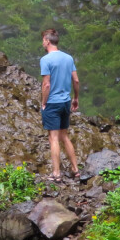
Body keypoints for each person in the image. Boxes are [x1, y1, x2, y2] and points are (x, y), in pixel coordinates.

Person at [39, 28, 79, 182]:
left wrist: (44, 103)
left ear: (48, 41)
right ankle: (75, 169)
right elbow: (76, 80)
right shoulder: (68, 58)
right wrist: (75, 98)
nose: (42, 43)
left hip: (53, 103)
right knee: (64, 136)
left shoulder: (46, 60)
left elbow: (46, 85)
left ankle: (56, 173)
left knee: (53, 138)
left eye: (43, 40)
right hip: (66, 101)